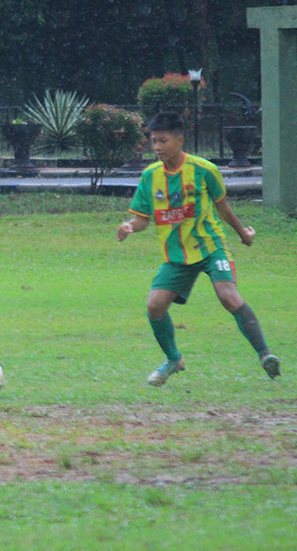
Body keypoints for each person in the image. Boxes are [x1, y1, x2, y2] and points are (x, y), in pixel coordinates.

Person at [116, 112, 279, 386]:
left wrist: (243, 234)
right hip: (177, 255)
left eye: (163, 141)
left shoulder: (204, 169)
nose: (157, 147)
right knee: (155, 305)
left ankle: (265, 354)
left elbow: (222, 207)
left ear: (180, 140)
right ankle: (173, 359)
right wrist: (129, 226)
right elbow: (143, 219)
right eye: (153, 141)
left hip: (210, 246)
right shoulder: (149, 177)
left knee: (228, 296)